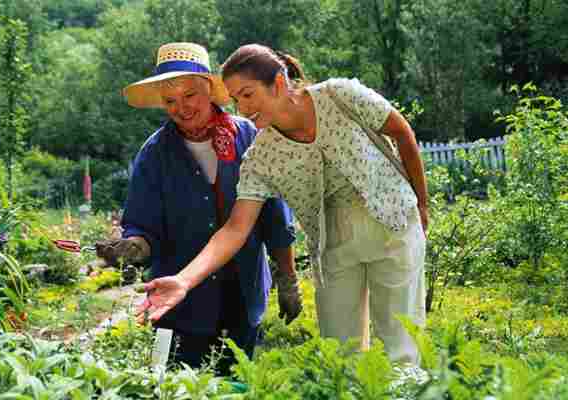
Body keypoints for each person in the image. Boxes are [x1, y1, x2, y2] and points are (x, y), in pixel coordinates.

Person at [137, 43, 429, 365]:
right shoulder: (262, 154)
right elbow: (235, 228)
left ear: (277, 83)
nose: (243, 109)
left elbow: (402, 132)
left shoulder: (339, 95)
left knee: (401, 346)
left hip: (392, 221)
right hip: (331, 240)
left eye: (248, 95)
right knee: (341, 357)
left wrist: (422, 205)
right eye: (236, 100)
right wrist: (184, 280)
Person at [97, 42, 301, 374]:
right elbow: (143, 227)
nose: (181, 108)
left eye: (189, 95)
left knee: (240, 387)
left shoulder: (249, 137)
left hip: (243, 296)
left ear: (209, 89)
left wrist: (288, 280)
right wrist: (131, 249)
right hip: (178, 309)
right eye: (170, 101)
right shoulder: (155, 154)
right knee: (176, 389)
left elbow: (276, 218)